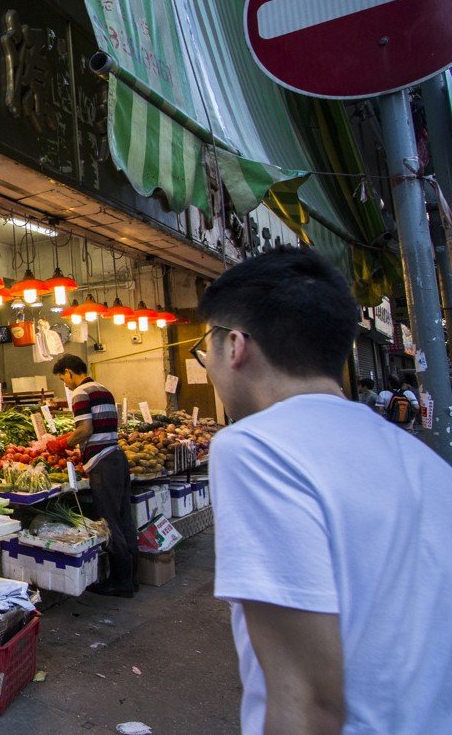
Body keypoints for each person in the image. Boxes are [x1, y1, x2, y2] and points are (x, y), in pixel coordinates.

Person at [194, 246, 452, 733]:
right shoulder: (423, 463)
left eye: (205, 348)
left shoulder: (256, 448)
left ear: (235, 346)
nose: (208, 363)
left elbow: (309, 703)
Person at [49, 354, 135, 597]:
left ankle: (120, 582)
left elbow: (85, 429)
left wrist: (61, 442)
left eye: (63, 378)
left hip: (102, 463)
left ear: (69, 372)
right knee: (124, 519)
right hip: (117, 457)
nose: (65, 384)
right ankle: (131, 577)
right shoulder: (103, 388)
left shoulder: (80, 392)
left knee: (108, 522)